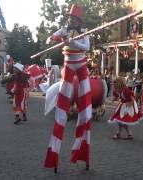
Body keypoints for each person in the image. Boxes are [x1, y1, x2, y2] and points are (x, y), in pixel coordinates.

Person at [44, 4, 92, 171]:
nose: (71, 20)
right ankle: (54, 151)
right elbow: (49, 38)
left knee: (86, 107)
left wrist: (73, 43)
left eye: (74, 18)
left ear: (79, 20)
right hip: (68, 65)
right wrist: (53, 39)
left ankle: (82, 148)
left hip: (81, 64)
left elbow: (87, 47)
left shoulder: (84, 31)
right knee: (62, 103)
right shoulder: (64, 29)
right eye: (70, 18)